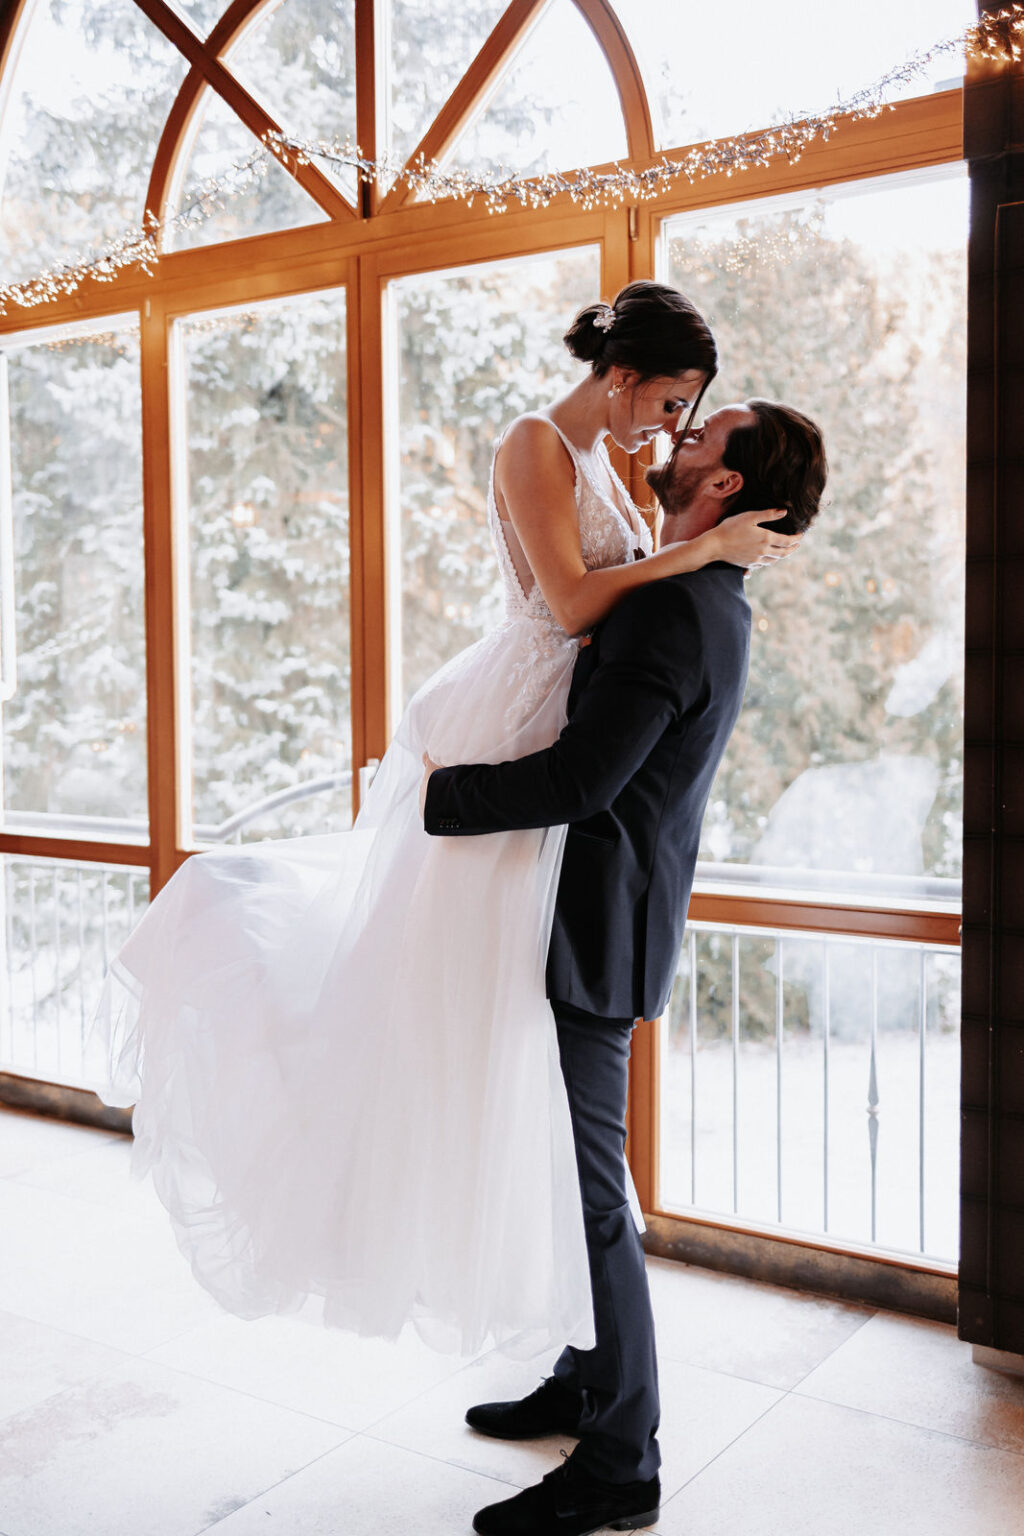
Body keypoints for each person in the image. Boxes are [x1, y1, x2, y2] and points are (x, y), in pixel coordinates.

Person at [85, 282, 797, 1360]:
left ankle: (578, 1369)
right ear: (618, 376)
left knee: (506, 1053)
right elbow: (565, 603)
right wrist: (698, 552)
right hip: (510, 702)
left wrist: (696, 545)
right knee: (416, 993)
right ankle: (577, 1373)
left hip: (559, 740)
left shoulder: (612, 464)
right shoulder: (534, 444)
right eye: (666, 402)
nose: (668, 428)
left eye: (687, 415)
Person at [421, 396, 828, 1536]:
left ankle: (622, 1459)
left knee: (594, 1198)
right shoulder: (702, 594)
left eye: (698, 438)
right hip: (603, 917)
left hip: (592, 927)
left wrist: (434, 795)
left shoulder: (674, 614)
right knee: (570, 1177)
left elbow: (579, 783)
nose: (672, 442)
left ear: (727, 489)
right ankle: (580, 1380)